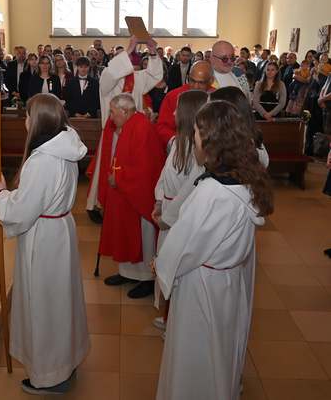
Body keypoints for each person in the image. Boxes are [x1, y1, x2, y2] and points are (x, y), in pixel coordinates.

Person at [152, 100, 273, 400]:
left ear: (210, 137)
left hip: (201, 286)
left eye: (195, 130)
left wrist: (162, 263)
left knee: (197, 357)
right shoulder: (244, 177)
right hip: (227, 282)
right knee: (221, 351)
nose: (192, 136)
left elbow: (188, 245)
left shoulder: (212, 191)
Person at [0, 94, 91, 395]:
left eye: (27, 115)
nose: (24, 121)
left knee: (44, 305)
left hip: (44, 237)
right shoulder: (64, 145)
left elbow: (23, 210)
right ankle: (64, 362)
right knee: (61, 301)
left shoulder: (44, 159)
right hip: (59, 229)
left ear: (39, 121)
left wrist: (2, 195)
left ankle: (49, 376)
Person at [85, 35, 162, 223]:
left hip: (133, 133)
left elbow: (155, 76)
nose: (128, 64)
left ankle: (125, 203)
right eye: (124, 59)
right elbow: (111, 73)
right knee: (108, 169)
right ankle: (96, 204)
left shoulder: (138, 78)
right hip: (113, 132)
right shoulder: (108, 78)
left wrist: (152, 53)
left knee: (128, 170)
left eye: (130, 59)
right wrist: (129, 49)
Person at [152, 90, 208, 333]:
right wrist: (157, 200)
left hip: (179, 215)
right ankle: (168, 318)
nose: (173, 113)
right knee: (166, 264)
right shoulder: (177, 142)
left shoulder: (197, 150)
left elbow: (188, 190)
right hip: (167, 208)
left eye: (178, 109)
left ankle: (174, 325)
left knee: (175, 269)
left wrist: (167, 217)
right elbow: (165, 174)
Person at [99, 94, 165, 298]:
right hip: (125, 191)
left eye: (113, 112)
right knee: (125, 232)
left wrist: (118, 178)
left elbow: (143, 167)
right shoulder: (130, 125)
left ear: (125, 111)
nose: (111, 118)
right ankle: (128, 273)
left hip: (139, 194)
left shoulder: (143, 128)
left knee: (142, 235)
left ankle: (145, 278)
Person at [156, 61, 215, 154]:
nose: (195, 86)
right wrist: (179, 143)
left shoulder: (217, 98)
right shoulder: (173, 96)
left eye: (201, 82)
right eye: (192, 80)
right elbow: (162, 127)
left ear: (211, 80)